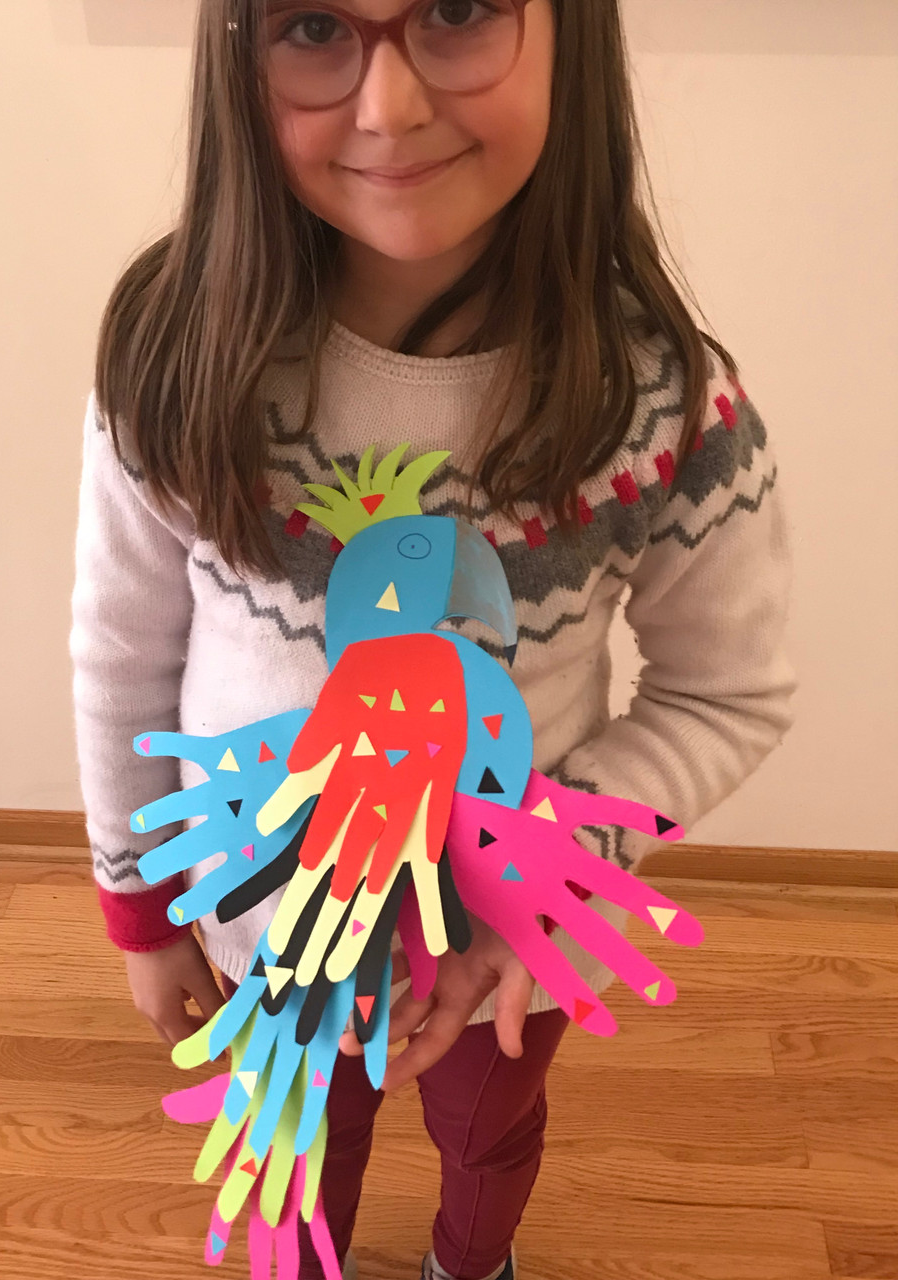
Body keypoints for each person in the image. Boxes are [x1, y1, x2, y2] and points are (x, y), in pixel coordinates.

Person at [70, 3, 796, 1279]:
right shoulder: (175, 356)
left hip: (506, 951)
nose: (387, 106)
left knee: (489, 1140)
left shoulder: (670, 406)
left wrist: (545, 894)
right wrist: (141, 903)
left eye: (458, 11)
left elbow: (727, 691)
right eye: (311, 26)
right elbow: (122, 655)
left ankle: (474, 1264)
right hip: (263, 944)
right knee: (298, 1154)